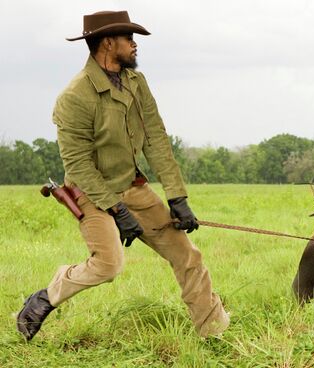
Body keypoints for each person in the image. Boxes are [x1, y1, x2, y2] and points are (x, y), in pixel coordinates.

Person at [16, 10, 229, 341]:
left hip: (135, 189)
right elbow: (78, 166)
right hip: (92, 194)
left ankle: (214, 332)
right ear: (107, 43)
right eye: (128, 39)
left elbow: (157, 139)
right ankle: (45, 297)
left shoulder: (136, 82)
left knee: (188, 256)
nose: (134, 45)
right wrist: (117, 209)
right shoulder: (74, 97)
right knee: (109, 265)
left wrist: (178, 197)